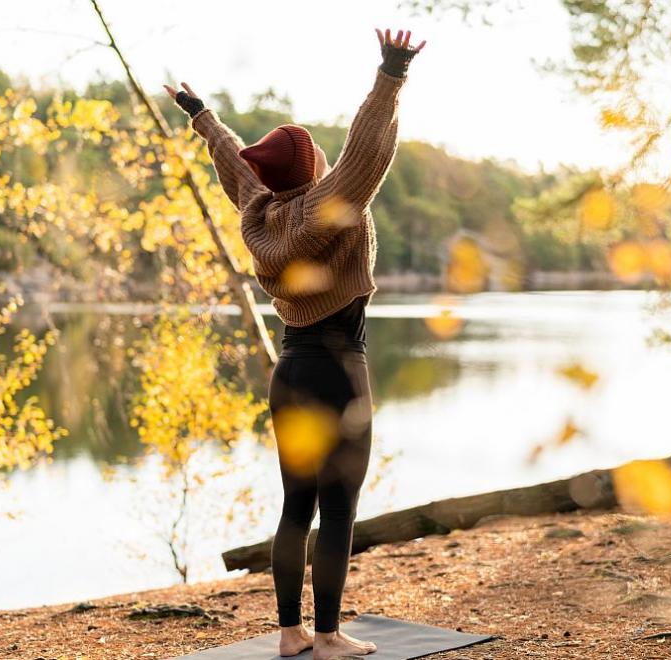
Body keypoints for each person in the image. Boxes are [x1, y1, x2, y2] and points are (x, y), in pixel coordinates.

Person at [165, 26, 425, 659]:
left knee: (295, 508)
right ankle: (330, 636)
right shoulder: (332, 205)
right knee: (339, 512)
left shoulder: (260, 210)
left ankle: (290, 635)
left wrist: (202, 118)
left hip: (290, 373)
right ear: (314, 170)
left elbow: (235, 164)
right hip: (340, 372)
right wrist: (390, 72)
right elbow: (366, 148)